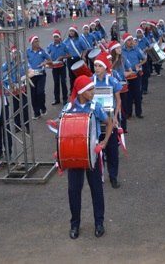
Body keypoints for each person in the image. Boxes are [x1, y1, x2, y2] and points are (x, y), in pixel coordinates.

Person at [65, 75, 113, 239]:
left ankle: (99, 223)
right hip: (74, 156)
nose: (93, 92)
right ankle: (74, 224)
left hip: (93, 154)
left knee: (97, 190)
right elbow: (61, 131)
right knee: (73, 191)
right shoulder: (68, 108)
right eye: (90, 89)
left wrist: (104, 142)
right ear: (81, 92)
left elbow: (109, 123)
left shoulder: (96, 107)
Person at [92, 52, 123, 188]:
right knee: (96, 149)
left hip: (110, 120)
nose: (97, 68)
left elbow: (118, 100)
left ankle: (113, 176)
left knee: (112, 151)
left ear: (105, 67)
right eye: (95, 65)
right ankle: (99, 176)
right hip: (94, 121)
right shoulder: (89, 81)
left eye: (99, 66)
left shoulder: (112, 81)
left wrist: (115, 117)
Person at [26, 35, 51, 118]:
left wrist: (45, 63)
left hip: (41, 74)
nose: (37, 43)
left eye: (38, 41)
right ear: (32, 43)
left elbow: (50, 61)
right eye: (35, 41)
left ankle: (43, 107)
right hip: (31, 75)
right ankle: (36, 113)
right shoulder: (28, 51)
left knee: (40, 92)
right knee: (33, 95)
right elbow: (23, 61)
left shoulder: (42, 51)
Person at [47, 30, 70, 105]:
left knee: (63, 82)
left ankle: (65, 98)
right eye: (54, 37)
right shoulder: (50, 45)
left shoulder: (64, 45)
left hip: (62, 66)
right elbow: (47, 54)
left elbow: (70, 54)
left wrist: (62, 57)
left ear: (59, 37)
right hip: (54, 66)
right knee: (56, 82)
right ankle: (56, 99)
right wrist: (49, 60)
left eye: (57, 37)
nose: (55, 38)